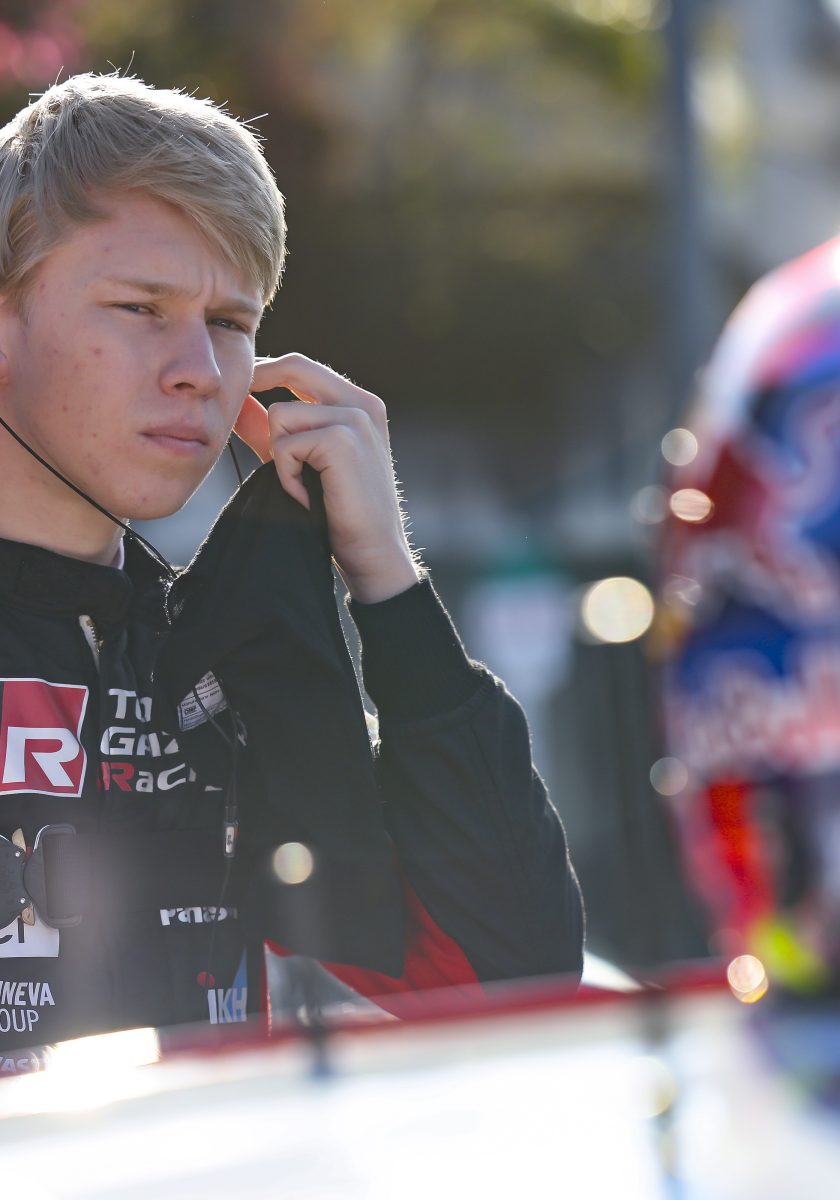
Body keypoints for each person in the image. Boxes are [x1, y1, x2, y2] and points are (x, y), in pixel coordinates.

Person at [0, 73, 583, 1060]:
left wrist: (385, 578)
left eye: (230, 323)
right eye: (141, 307)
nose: (199, 369)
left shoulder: (216, 666)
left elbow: (511, 975)